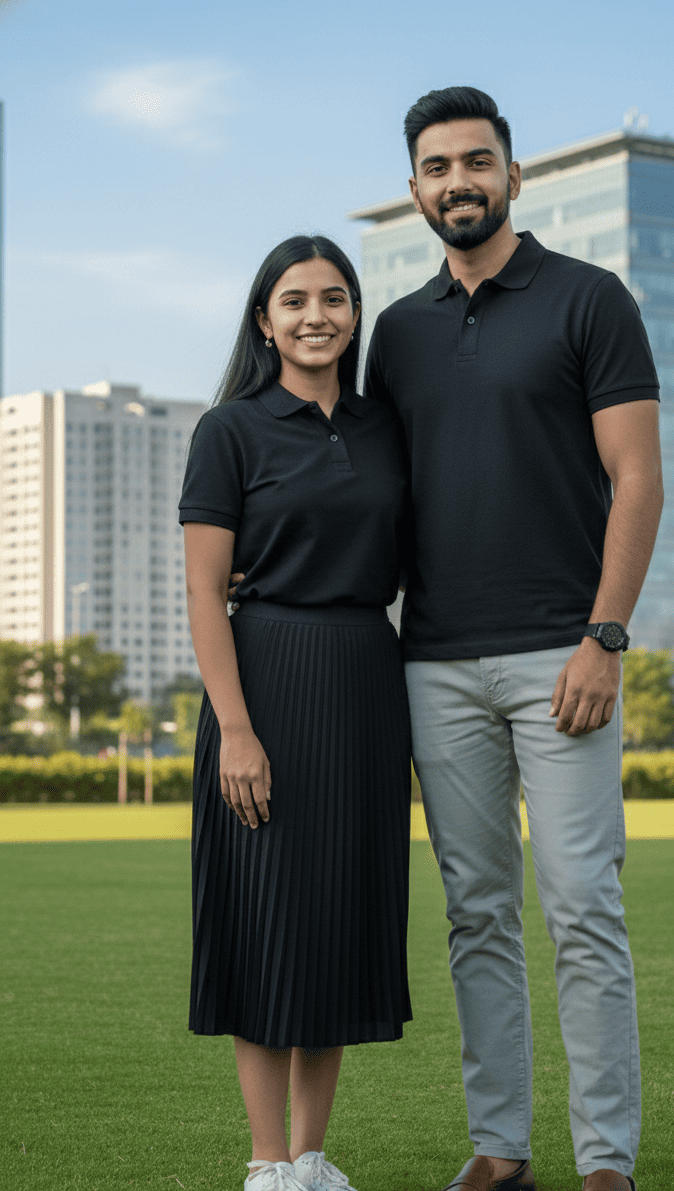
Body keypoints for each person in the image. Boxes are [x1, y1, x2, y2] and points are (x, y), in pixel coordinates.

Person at [364, 87, 663, 1191]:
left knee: (583, 907)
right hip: (434, 663)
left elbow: (638, 478)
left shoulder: (591, 299)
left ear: (513, 176)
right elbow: (375, 496)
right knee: (477, 915)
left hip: (563, 656)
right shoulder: (396, 334)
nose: (460, 182)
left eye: (477, 161)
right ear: (415, 191)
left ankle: (605, 1162)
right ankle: (500, 1149)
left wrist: (604, 636)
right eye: (438, 167)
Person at [179, 235, 412, 1191]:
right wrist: (236, 729)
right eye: (295, 300)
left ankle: (314, 1158)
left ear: (355, 313)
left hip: (366, 682)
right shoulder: (228, 430)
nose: (317, 315)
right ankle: (267, 1162)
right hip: (266, 678)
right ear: (265, 320)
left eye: (334, 297)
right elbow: (204, 591)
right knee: (266, 919)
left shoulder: (384, 426)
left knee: (340, 921)